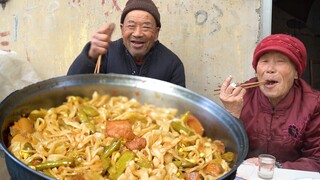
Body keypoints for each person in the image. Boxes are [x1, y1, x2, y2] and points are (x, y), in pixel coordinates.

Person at [218, 34, 320, 171]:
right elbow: (221, 151)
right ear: (256, 70)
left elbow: (316, 160)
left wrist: (274, 167)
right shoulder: (242, 96)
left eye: (280, 61)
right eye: (264, 61)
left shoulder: (313, 104)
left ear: (296, 72)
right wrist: (231, 115)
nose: (270, 69)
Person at [67, 0, 186, 87]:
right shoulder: (105, 53)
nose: (138, 33)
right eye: (131, 26)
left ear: (156, 32)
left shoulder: (172, 64)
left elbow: (178, 109)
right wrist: (90, 56)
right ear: (122, 29)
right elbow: (70, 87)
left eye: (146, 27)